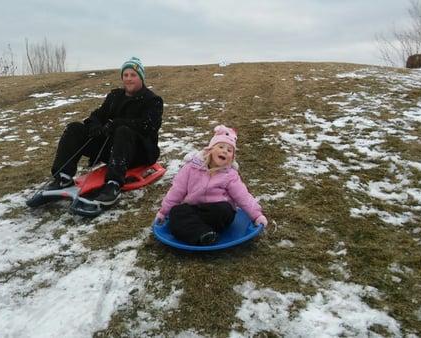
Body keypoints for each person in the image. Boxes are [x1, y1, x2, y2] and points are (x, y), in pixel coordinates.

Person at [49, 57, 163, 205]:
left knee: (123, 131)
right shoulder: (115, 97)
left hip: (139, 152)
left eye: (133, 75)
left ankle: (113, 185)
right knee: (74, 128)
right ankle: (63, 176)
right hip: (112, 151)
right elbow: (97, 116)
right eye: (126, 75)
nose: (129, 79)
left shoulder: (152, 100)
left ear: (141, 77)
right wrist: (95, 127)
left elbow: (149, 126)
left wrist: (117, 124)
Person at [155, 125, 268, 245]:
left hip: (217, 215)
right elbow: (177, 190)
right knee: (176, 212)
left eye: (229, 150)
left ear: (231, 158)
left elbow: (243, 196)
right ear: (210, 149)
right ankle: (204, 235)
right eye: (221, 147)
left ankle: (197, 229)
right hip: (195, 210)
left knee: (225, 209)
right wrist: (163, 212)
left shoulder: (230, 175)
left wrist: (257, 216)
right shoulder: (191, 168)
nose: (225, 151)